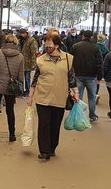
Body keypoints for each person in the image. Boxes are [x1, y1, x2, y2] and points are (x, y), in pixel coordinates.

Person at [27, 33, 79, 161]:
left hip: (60, 98)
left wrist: (76, 93)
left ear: (57, 45)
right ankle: (44, 151)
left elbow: (72, 78)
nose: (47, 48)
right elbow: (35, 80)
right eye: (45, 45)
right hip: (42, 97)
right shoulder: (40, 60)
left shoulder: (68, 59)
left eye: (50, 46)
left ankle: (52, 148)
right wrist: (30, 96)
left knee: (55, 125)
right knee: (44, 123)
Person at [0, 34, 24, 143]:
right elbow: (20, 76)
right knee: (10, 111)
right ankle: (12, 135)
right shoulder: (20, 56)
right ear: (16, 43)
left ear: (5, 41)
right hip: (10, 88)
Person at [69, 30, 102, 122]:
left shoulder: (76, 46)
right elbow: (99, 62)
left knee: (78, 96)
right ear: (91, 37)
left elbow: (70, 60)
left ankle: (77, 115)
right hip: (91, 76)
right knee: (92, 97)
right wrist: (99, 76)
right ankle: (92, 115)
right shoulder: (96, 48)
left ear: (83, 36)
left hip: (78, 75)